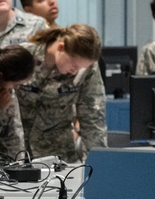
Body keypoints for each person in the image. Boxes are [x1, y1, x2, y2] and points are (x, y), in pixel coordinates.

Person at [16, 24, 106, 162]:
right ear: (61, 47)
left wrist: (100, 165)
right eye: (74, 65)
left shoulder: (87, 69)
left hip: (58, 156)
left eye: (81, 68)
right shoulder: (23, 56)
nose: (75, 72)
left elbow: (93, 118)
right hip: (16, 152)